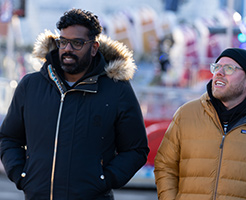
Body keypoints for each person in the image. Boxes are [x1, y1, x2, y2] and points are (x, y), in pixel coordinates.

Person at [0, 8, 149, 200]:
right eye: (63, 42)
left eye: (77, 43)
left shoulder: (116, 90)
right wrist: (22, 175)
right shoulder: (31, 86)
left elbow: (136, 149)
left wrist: (104, 179)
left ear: (94, 47)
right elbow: (9, 138)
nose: (68, 49)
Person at [154, 47, 246, 199]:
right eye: (216, 67)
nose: (219, 73)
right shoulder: (186, 115)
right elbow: (165, 166)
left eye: (229, 69)